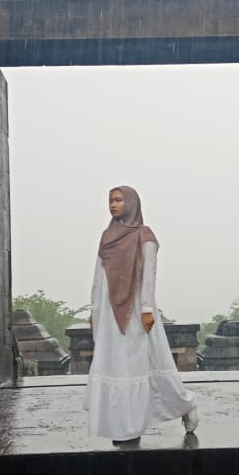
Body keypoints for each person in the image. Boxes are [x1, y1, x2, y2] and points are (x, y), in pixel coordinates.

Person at [85, 185, 199, 444]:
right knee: (116, 364)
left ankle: (185, 403)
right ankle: (124, 425)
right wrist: (94, 308)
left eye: (118, 200)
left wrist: (147, 308)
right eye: (110, 200)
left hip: (136, 309)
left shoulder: (144, 236)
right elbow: (98, 276)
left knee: (136, 363)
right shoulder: (107, 236)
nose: (112, 205)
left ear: (131, 203)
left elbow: (149, 275)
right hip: (108, 309)